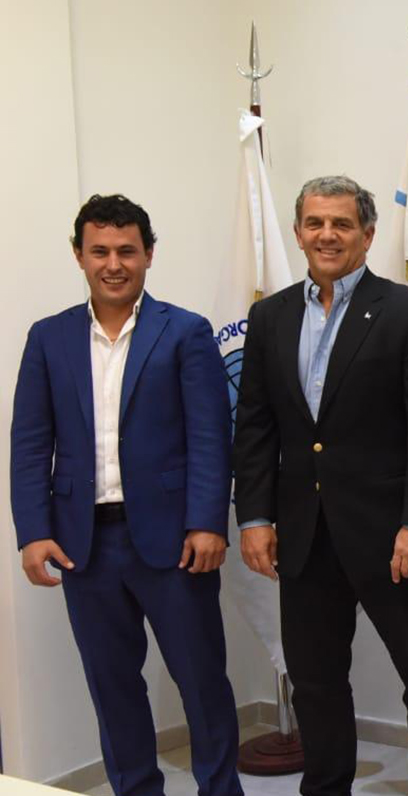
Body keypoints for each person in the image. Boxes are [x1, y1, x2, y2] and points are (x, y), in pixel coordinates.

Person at [233, 175, 408, 796]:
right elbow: (255, 425)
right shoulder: (270, 316)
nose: (327, 235)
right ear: (297, 232)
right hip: (304, 537)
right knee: (315, 683)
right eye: (315, 223)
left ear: (368, 233)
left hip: (394, 538)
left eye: (341, 223)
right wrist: (254, 517)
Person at [10, 194, 243, 796]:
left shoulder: (184, 331)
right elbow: (30, 443)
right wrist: (34, 532)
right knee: (112, 687)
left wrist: (208, 523)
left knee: (202, 682)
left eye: (126, 251)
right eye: (100, 252)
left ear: (148, 254)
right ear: (79, 256)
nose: (113, 264)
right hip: (83, 545)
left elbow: (210, 437)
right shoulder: (48, 338)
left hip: (175, 542)